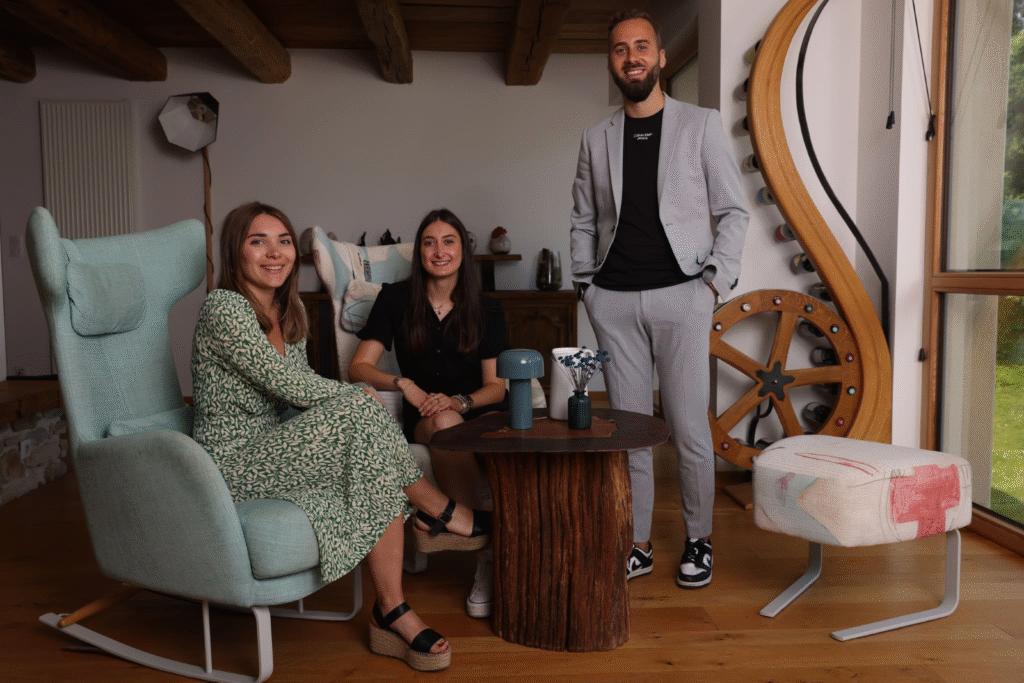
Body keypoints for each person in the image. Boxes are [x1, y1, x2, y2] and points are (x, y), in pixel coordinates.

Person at [191, 201, 489, 672]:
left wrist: (353, 409)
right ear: (235, 252)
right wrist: (357, 399)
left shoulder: (288, 312)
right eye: (258, 241)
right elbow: (289, 385)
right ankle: (438, 509)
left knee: (368, 447)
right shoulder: (224, 307)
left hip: (278, 448)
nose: (275, 252)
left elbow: (300, 393)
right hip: (232, 463)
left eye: (284, 241)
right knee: (359, 404)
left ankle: (391, 609)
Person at [569, 10, 749, 589]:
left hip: (683, 298)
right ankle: (637, 543)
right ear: (611, 62)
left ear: (661, 57)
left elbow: (733, 210)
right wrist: (586, 286)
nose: (632, 57)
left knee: (689, 429)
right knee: (630, 432)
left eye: (642, 46)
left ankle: (699, 539)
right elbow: (583, 219)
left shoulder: (701, 124)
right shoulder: (595, 138)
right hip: (613, 303)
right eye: (621, 49)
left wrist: (713, 282)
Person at [349, 208, 508, 618]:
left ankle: (465, 531)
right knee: (443, 422)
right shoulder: (395, 299)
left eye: (448, 241)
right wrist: (405, 384)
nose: (439, 251)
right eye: (429, 242)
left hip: (480, 416)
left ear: (463, 250)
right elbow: (359, 367)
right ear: (419, 252)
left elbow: (496, 387)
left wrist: (459, 401)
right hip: (425, 419)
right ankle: (486, 550)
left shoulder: (488, 308)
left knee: (452, 420)